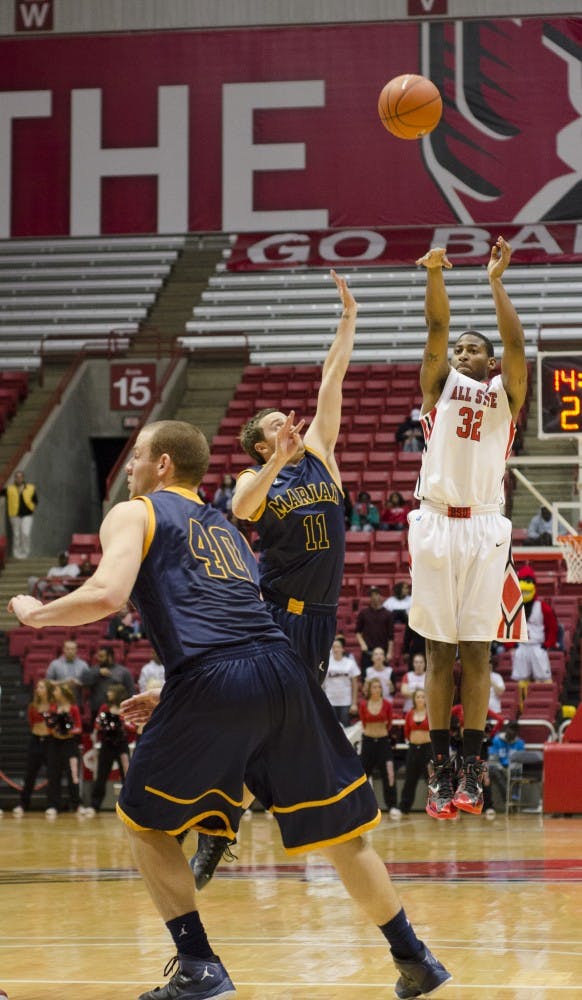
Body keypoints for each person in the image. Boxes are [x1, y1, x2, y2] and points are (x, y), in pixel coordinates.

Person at [8, 419, 451, 1000]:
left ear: (162, 464)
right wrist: (173, 690)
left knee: (143, 822)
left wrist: (35, 612)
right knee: (345, 837)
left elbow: (108, 595)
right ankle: (413, 957)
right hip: (282, 669)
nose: (132, 467)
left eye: (138, 456)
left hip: (215, 676)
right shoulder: (230, 529)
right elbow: (234, 621)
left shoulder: (138, 512)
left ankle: (197, 965)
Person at [190, 269, 362, 888]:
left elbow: (331, 377)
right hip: (273, 611)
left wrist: (348, 318)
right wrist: (278, 462)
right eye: (271, 426)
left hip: (319, 619)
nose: (285, 423)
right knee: (251, 715)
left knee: (288, 719)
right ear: (260, 446)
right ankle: (217, 830)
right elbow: (241, 512)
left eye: (284, 420)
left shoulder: (322, 452)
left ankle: (293, 809)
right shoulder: (254, 479)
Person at [409, 235, 528, 820]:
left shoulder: (506, 396)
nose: (461, 353)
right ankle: (439, 766)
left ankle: (474, 767)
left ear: (488, 361)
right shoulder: (439, 390)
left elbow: (516, 341)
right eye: (458, 349)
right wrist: (435, 273)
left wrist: (495, 280)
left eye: (472, 348)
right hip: (435, 521)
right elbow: (435, 329)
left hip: (484, 527)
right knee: (438, 652)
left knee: (477, 650)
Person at [85, 683, 135, 816]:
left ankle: (130, 807)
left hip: (121, 745)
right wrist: (103, 726)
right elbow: (97, 724)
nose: (108, 693)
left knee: (127, 775)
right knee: (101, 775)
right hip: (107, 745)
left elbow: (132, 727)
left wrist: (121, 722)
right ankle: (94, 805)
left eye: (111, 691)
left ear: (117, 693)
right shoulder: (104, 707)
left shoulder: (125, 707)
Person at [13, 678, 54, 816]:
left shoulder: (54, 705)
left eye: (42, 687)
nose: (38, 690)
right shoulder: (32, 706)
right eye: (38, 687)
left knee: (52, 774)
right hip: (35, 740)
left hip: (50, 741)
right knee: (30, 774)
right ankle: (23, 804)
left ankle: (52, 805)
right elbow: (31, 723)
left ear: (48, 690)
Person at [359, 678, 399, 817]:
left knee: (389, 774)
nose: (377, 689)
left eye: (379, 687)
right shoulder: (363, 705)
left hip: (383, 743)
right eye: (374, 687)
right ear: (369, 689)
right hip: (368, 743)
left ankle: (393, 805)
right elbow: (364, 723)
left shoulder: (387, 704)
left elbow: (389, 724)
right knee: (362, 775)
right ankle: (360, 807)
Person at [510, 565, 558, 683]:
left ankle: (544, 701)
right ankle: (521, 702)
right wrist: (511, 645)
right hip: (521, 647)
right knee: (521, 681)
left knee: (543, 680)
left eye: (527, 581)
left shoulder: (543, 607)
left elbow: (552, 628)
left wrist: (547, 644)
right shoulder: (514, 607)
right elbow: (508, 626)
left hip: (537, 646)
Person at [44, 681, 84, 817]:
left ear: (63, 693)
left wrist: (69, 731)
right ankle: (53, 805)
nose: (53, 693)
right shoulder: (53, 708)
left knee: (73, 775)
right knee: (53, 774)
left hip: (70, 745)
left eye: (56, 691)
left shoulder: (73, 708)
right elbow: (48, 726)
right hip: (54, 744)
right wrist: (54, 730)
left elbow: (79, 727)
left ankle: (77, 804)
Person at [398, 689, 432, 817]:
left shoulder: (430, 713)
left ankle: (437, 808)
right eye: (418, 696)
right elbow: (406, 732)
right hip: (413, 749)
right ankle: (404, 808)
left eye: (423, 696)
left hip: (428, 750)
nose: (420, 699)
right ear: (414, 699)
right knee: (410, 780)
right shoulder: (410, 714)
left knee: (431, 780)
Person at [81, 645, 135, 724]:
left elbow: (130, 691)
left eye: (101, 656)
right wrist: (98, 673)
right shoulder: (94, 670)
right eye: (98, 656)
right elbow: (84, 682)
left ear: (110, 657)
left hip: (117, 711)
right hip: (96, 710)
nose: (98, 659)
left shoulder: (123, 672)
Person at [355, 586, 394, 676]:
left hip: (382, 651)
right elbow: (357, 632)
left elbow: (391, 636)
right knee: (366, 677)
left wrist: (389, 652)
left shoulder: (388, 614)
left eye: (376, 594)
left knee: (384, 676)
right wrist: (362, 644)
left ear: (380, 596)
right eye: (372, 595)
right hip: (368, 651)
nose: (374, 597)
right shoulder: (363, 613)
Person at [323, 637, 360, 726]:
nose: (336, 649)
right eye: (334, 647)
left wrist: (354, 703)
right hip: (330, 701)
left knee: (346, 730)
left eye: (338, 647)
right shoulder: (326, 663)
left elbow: (355, 684)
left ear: (343, 649)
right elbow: (321, 683)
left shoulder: (350, 663)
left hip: (345, 702)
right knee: (330, 729)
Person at [3, 469, 38, 559]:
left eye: (20, 477)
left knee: (25, 533)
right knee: (17, 534)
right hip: (14, 515)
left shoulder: (30, 488)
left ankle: (25, 553)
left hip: (27, 515)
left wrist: (32, 507)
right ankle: (16, 554)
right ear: (15, 478)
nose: (19, 479)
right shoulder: (9, 489)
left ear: (23, 478)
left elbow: (35, 500)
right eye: (17, 477)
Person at [46, 639, 88, 705]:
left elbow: (88, 684)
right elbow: (48, 683)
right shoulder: (55, 664)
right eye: (67, 649)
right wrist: (63, 682)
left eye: (72, 649)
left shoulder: (83, 665)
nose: (70, 651)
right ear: (63, 649)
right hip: (58, 702)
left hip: (77, 702)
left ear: (76, 650)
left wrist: (78, 683)